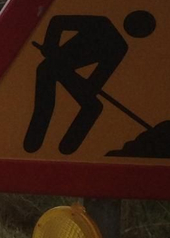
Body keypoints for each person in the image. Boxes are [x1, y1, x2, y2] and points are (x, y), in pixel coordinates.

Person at [24, 10, 155, 154]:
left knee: (93, 106)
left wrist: (88, 85)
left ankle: (67, 147)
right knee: (46, 101)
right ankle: (33, 142)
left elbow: (98, 78)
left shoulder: (120, 47)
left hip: (66, 71)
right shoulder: (101, 24)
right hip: (50, 66)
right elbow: (57, 21)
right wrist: (51, 45)